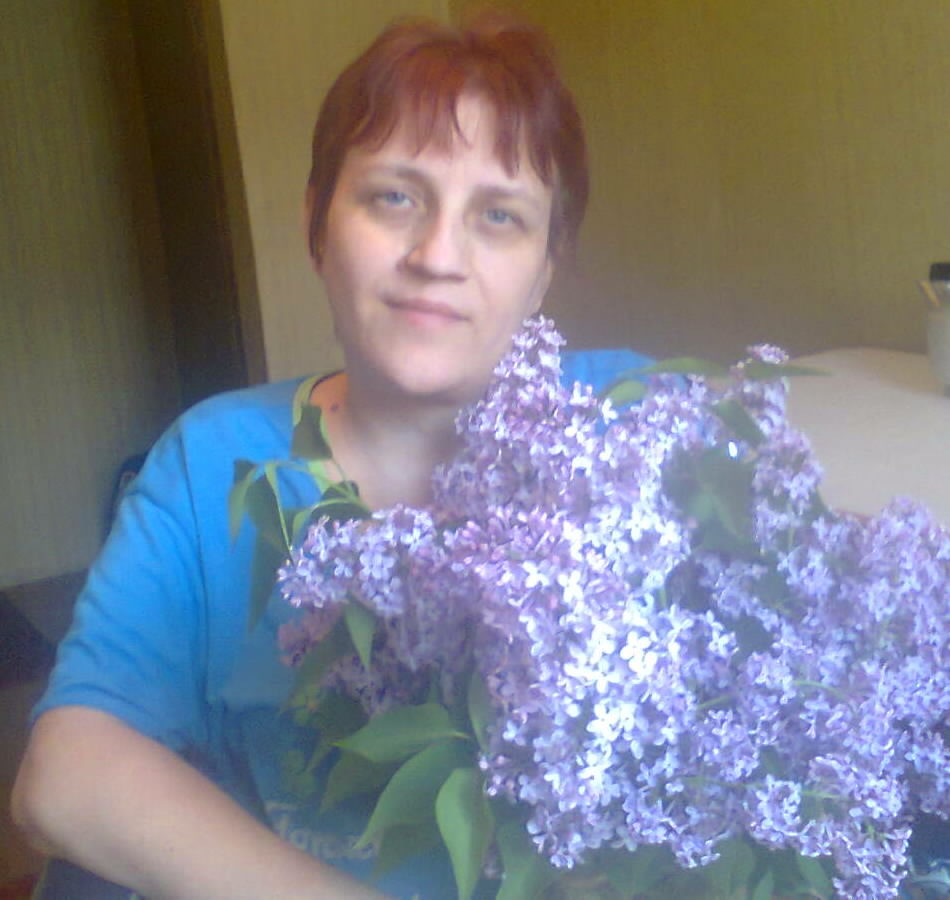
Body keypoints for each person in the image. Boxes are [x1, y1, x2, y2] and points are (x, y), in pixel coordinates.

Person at [11, 14, 647, 899]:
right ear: (316, 222)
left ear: (543, 269)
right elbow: (66, 772)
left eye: (499, 216)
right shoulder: (213, 465)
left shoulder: (637, 431)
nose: (438, 257)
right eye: (394, 197)